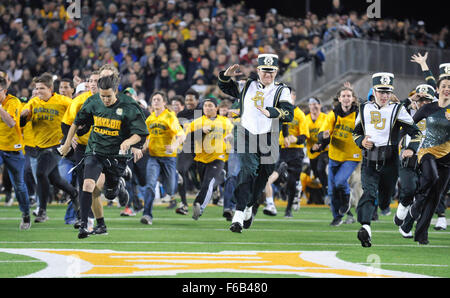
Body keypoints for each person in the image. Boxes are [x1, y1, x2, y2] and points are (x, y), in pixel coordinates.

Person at [60, 74, 149, 238]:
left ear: (116, 91)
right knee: (87, 185)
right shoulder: (93, 101)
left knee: (109, 194)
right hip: (95, 151)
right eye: (102, 96)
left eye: (108, 96)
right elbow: (75, 123)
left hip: (117, 156)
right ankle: (84, 225)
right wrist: (66, 145)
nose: (105, 100)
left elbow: (141, 134)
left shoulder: (129, 105)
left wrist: (129, 142)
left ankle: (118, 186)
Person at [217, 54, 294, 233]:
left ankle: (250, 205)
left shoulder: (282, 90)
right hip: (246, 134)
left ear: (276, 72)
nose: (268, 74)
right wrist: (225, 76)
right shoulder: (247, 85)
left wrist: (271, 112)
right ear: (258, 70)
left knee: (263, 176)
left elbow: (288, 114)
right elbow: (224, 86)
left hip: (269, 137)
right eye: (265, 71)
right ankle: (238, 216)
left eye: (272, 71)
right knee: (247, 171)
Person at [353, 72, 422, 247]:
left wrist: (411, 149)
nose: (384, 95)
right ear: (374, 90)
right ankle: (365, 228)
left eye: (387, 92)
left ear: (391, 92)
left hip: (390, 161)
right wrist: (362, 142)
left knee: (385, 199)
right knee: (368, 192)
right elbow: (356, 133)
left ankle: (385, 205)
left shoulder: (398, 109)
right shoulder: (363, 108)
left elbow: (416, 132)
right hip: (369, 159)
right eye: (380, 91)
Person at [399, 65, 450, 244]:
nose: (447, 89)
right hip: (427, 153)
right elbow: (408, 125)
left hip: (447, 158)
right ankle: (415, 207)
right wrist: (398, 141)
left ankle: (421, 235)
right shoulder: (428, 108)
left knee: (435, 197)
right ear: (437, 89)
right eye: (443, 86)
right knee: (432, 178)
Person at [20, 73, 79, 223]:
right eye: (37, 88)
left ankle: (42, 211)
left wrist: (73, 134)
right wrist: (23, 116)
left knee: (40, 173)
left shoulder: (63, 101)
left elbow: (78, 114)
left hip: (56, 145)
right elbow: (22, 123)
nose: (38, 91)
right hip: (39, 146)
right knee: (55, 179)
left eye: (42, 89)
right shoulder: (33, 103)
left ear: (51, 88)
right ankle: (74, 193)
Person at [317, 86, 361, 227]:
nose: (347, 98)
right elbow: (323, 131)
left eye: (349, 95)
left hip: (351, 156)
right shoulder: (333, 114)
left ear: (353, 98)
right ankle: (337, 216)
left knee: (340, 181)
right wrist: (323, 136)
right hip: (335, 155)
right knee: (331, 190)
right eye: (344, 96)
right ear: (339, 99)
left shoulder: (359, 114)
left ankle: (347, 199)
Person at [140, 91, 185, 225]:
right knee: (150, 185)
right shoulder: (150, 119)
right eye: (154, 100)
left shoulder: (170, 117)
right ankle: (147, 214)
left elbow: (182, 135)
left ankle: (176, 177)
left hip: (168, 157)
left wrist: (174, 145)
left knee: (170, 190)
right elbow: (147, 137)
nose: (156, 102)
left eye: (159, 99)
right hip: (153, 158)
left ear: (164, 102)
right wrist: (142, 148)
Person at [186, 97, 234, 220]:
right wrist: (200, 131)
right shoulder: (196, 123)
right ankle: (219, 182)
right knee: (204, 185)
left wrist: (230, 137)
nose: (207, 108)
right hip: (201, 159)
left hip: (218, 157)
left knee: (208, 183)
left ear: (216, 108)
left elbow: (232, 134)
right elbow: (186, 139)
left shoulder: (224, 122)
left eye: (210, 105)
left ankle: (198, 204)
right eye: (205, 105)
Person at [394, 85, 433, 237]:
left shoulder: (438, 113)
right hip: (408, 157)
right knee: (409, 189)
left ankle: (407, 223)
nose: (423, 103)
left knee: (423, 194)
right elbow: (393, 112)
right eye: (420, 99)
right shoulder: (407, 112)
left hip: (429, 158)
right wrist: (409, 100)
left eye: (426, 100)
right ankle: (403, 206)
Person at [265, 87, 308, 218]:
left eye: (290, 96)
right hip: (280, 148)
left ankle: (288, 208)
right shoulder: (278, 111)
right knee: (274, 174)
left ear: (294, 97)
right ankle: (280, 186)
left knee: (292, 181)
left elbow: (304, 136)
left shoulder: (300, 114)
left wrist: (295, 138)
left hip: (295, 151)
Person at [0, 76, 31, 230]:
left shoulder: (14, 102)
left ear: (4, 91)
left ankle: (26, 214)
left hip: (13, 148)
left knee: (18, 185)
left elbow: (11, 123)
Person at [175, 89, 202, 214]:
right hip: (187, 147)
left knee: (202, 178)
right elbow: (178, 132)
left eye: (191, 99)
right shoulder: (181, 114)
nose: (188, 102)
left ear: (197, 100)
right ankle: (184, 204)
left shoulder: (202, 112)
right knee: (180, 171)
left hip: (203, 148)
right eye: (186, 100)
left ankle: (213, 190)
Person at [305, 97, 329, 203]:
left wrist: (322, 143)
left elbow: (329, 133)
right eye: (311, 104)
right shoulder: (305, 119)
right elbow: (302, 134)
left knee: (321, 168)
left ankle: (329, 191)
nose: (313, 106)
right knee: (317, 173)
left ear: (320, 105)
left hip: (324, 149)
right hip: (312, 152)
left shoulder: (325, 118)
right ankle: (327, 190)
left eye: (315, 104)